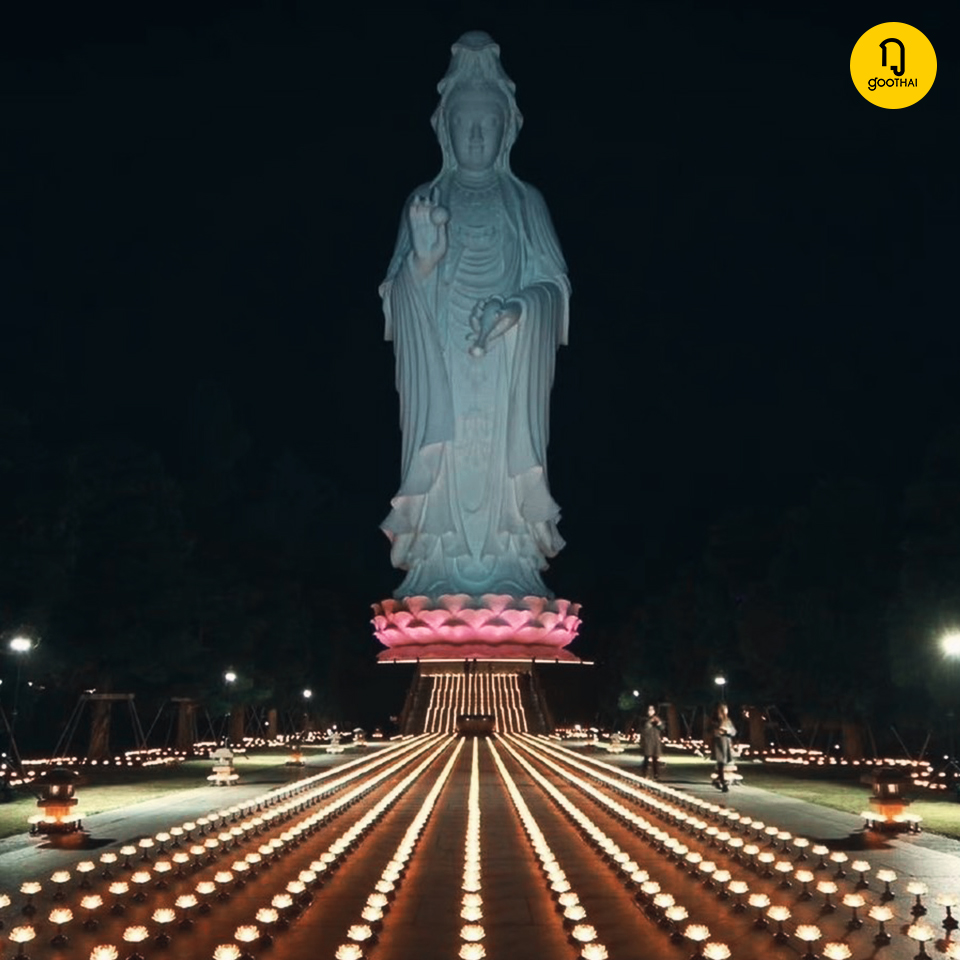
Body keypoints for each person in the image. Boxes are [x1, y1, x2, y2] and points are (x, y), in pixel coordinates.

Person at [379, 31, 570, 599]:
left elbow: (554, 287)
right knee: (449, 451)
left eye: (488, 123)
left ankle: (510, 564)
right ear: (446, 129)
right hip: (443, 371)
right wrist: (421, 265)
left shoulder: (524, 202)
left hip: (508, 372)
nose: (477, 134)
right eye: (466, 123)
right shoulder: (425, 201)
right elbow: (393, 296)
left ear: (506, 129)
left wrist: (519, 308)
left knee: (498, 459)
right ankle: (439, 567)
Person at [710, 702, 737, 792]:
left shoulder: (728, 720)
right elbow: (712, 731)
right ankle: (723, 783)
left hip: (726, 742)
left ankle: (717, 780)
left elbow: (733, 731)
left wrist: (728, 731)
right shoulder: (716, 720)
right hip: (719, 743)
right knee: (721, 762)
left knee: (723, 763)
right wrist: (719, 731)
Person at [640, 704, 664, 780]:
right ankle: (644, 773)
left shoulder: (657, 719)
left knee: (655, 759)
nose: (651, 712)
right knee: (646, 758)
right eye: (649, 710)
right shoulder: (645, 720)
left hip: (655, 741)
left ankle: (656, 774)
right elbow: (645, 729)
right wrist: (650, 722)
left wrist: (659, 723)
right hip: (647, 741)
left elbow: (662, 728)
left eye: (652, 710)